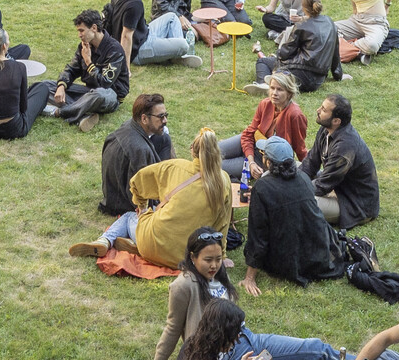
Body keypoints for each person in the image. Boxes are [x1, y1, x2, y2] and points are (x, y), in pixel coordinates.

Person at [130, 228, 347, 360]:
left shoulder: (217, 273)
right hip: (229, 358)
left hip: (248, 338)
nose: (214, 265)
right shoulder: (183, 286)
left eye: (218, 259)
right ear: (192, 257)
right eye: (208, 260)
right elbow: (172, 327)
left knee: (315, 347)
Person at [73, 128, 238, 266]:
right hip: (188, 257)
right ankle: (133, 242)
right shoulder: (224, 181)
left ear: (192, 150)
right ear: (217, 153)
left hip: (153, 244)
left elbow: (137, 182)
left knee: (130, 216)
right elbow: (222, 225)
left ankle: (105, 241)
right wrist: (221, 257)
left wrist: (142, 207)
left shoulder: (174, 167)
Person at [246, 135, 346, 286]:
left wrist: (249, 278)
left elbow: (258, 234)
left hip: (286, 259)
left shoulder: (262, 188)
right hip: (315, 253)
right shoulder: (304, 178)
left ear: (267, 161)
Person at [305, 92, 381, 229]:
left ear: (336, 121)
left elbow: (323, 185)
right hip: (334, 186)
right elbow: (310, 163)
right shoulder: (325, 130)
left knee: (299, 203)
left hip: (352, 203)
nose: (318, 110)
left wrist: (290, 192)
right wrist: (290, 182)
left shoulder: (345, 147)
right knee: (290, 168)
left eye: (323, 110)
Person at [48, 7, 131, 130]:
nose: (79, 35)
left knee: (99, 95)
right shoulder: (84, 46)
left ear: (94, 28)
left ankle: (61, 112)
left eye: (82, 31)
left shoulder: (115, 50)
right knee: (46, 86)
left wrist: (88, 61)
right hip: (88, 92)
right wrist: (61, 86)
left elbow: (105, 83)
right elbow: (71, 68)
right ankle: (83, 114)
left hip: (109, 95)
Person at [219, 71, 309, 182]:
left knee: (213, 166)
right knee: (208, 151)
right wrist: (250, 161)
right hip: (249, 143)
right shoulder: (265, 104)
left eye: (280, 89)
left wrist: (310, 172)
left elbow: (300, 148)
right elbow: (249, 133)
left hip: (264, 159)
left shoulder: (295, 115)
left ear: (289, 93)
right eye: (272, 88)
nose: (274, 93)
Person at [100, 91, 174, 213]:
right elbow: (140, 194)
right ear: (144, 118)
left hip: (113, 190)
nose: (165, 120)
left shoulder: (130, 124)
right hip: (120, 204)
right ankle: (168, 186)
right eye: (160, 117)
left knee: (164, 138)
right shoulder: (141, 151)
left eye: (165, 115)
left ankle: (168, 180)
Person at [255, 0, 339, 94]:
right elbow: (335, 52)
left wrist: (277, 56)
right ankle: (277, 79)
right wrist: (338, 74)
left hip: (299, 74)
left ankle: (264, 84)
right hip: (318, 80)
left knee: (263, 62)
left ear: (303, 8)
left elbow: (286, 52)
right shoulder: (331, 23)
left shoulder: (301, 26)